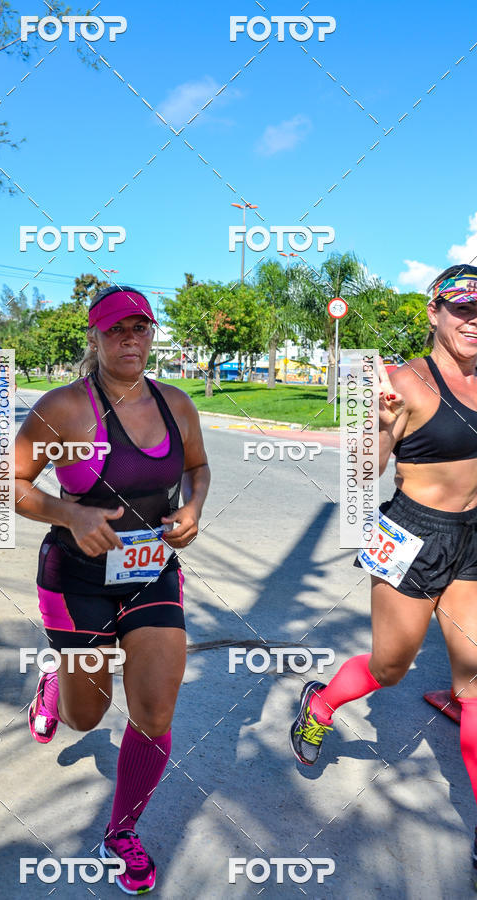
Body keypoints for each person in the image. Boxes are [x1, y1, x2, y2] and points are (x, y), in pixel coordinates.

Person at [14, 285, 210, 894]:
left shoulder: (176, 403)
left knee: (155, 708)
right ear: (95, 338)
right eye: (116, 329)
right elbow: (7, 482)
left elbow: (197, 468)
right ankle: (56, 685)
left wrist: (193, 507)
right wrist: (69, 515)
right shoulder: (66, 408)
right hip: (75, 579)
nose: (130, 339)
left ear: (152, 335)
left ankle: (121, 832)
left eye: (140, 328)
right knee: (85, 716)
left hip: (152, 570)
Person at [290, 264, 477, 887]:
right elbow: (361, 474)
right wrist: (381, 423)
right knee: (391, 666)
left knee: (475, 682)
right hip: (411, 535)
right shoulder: (404, 382)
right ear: (434, 312)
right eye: (460, 309)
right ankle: (320, 701)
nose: (471, 320)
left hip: (474, 540)